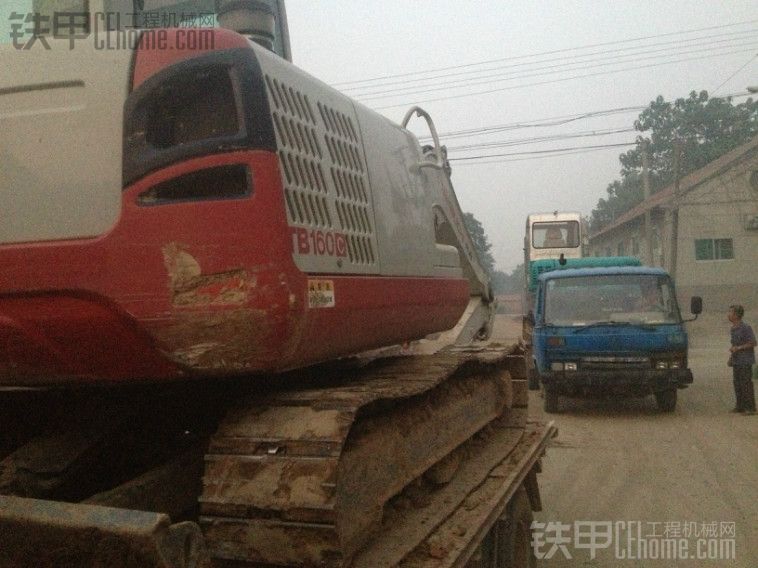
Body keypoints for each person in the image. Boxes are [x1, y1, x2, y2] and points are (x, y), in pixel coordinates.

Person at [728, 304, 756, 415]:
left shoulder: (746, 328)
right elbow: (734, 345)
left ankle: (750, 408)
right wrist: (731, 357)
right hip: (737, 361)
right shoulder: (733, 329)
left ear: (736, 315)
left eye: (730, 312)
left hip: (745, 361)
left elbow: (753, 342)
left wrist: (738, 348)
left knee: (746, 384)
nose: (728, 315)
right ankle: (740, 406)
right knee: (737, 384)